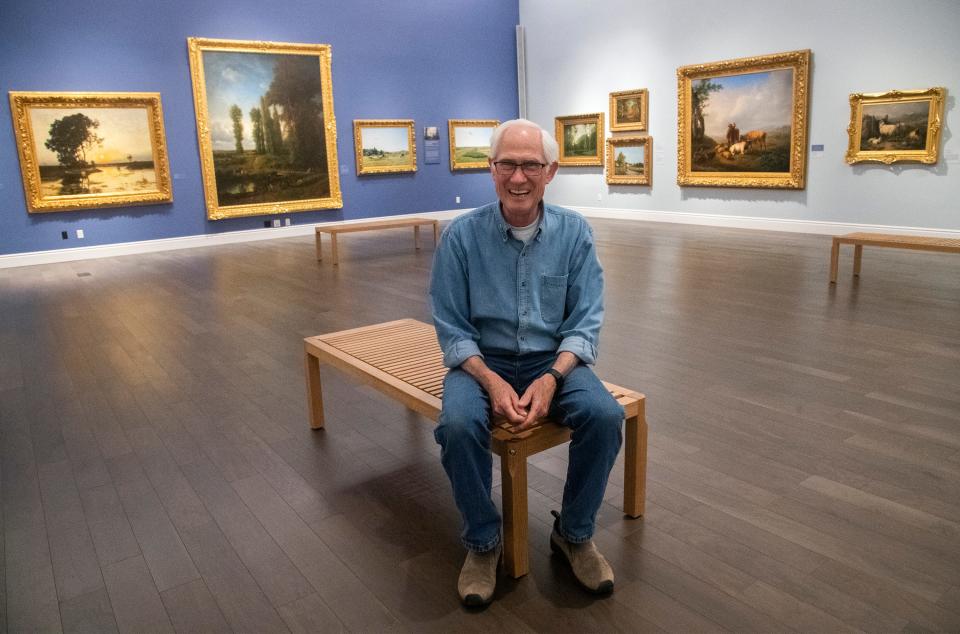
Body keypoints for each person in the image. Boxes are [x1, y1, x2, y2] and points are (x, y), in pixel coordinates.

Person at [429, 118, 624, 606]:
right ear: (491, 170)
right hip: (480, 360)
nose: (519, 178)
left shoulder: (574, 233)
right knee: (457, 426)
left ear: (551, 170)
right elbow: (452, 327)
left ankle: (574, 533)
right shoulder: (461, 237)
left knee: (605, 416)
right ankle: (482, 541)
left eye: (530, 165)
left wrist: (554, 378)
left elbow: (584, 322)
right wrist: (490, 380)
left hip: (552, 359)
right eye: (508, 165)